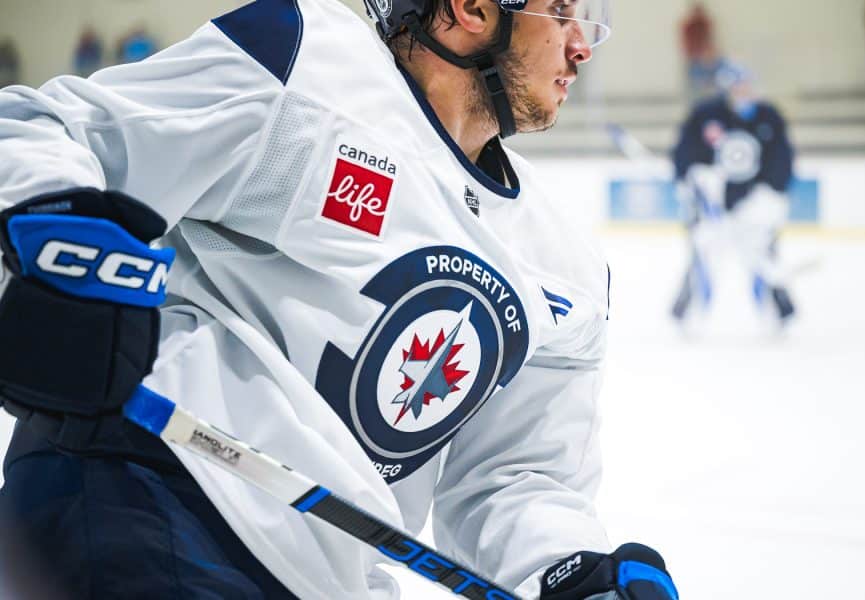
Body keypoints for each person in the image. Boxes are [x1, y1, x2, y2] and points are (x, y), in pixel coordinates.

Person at [0, 1, 679, 599]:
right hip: (147, 487)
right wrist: (59, 237)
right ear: (473, 8)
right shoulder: (310, 65)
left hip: (329, 574)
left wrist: (569, 573)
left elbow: (515, 478)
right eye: (559, 12)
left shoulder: (565, 268)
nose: (582, 45)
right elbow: (48, 127)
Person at [671, 64, 796, 329]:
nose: (743, 90)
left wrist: (771, 192)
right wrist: (690, 177)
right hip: (711, 208)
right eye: (737, 85)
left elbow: (782, 157)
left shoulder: (768, 116)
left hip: (753, 206)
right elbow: (684, 151)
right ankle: (684, 314)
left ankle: (781, 313)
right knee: (702, 257)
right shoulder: (706, 114)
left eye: (746, 84)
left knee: (765, 257)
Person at [679, 2, 724, 100]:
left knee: (709, 80)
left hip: (704, 57)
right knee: (695, 83)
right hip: (694, 57)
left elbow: (710, 39)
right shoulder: (688, 25)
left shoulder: (706, 24)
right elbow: (686, 42)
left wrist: (709, 53)